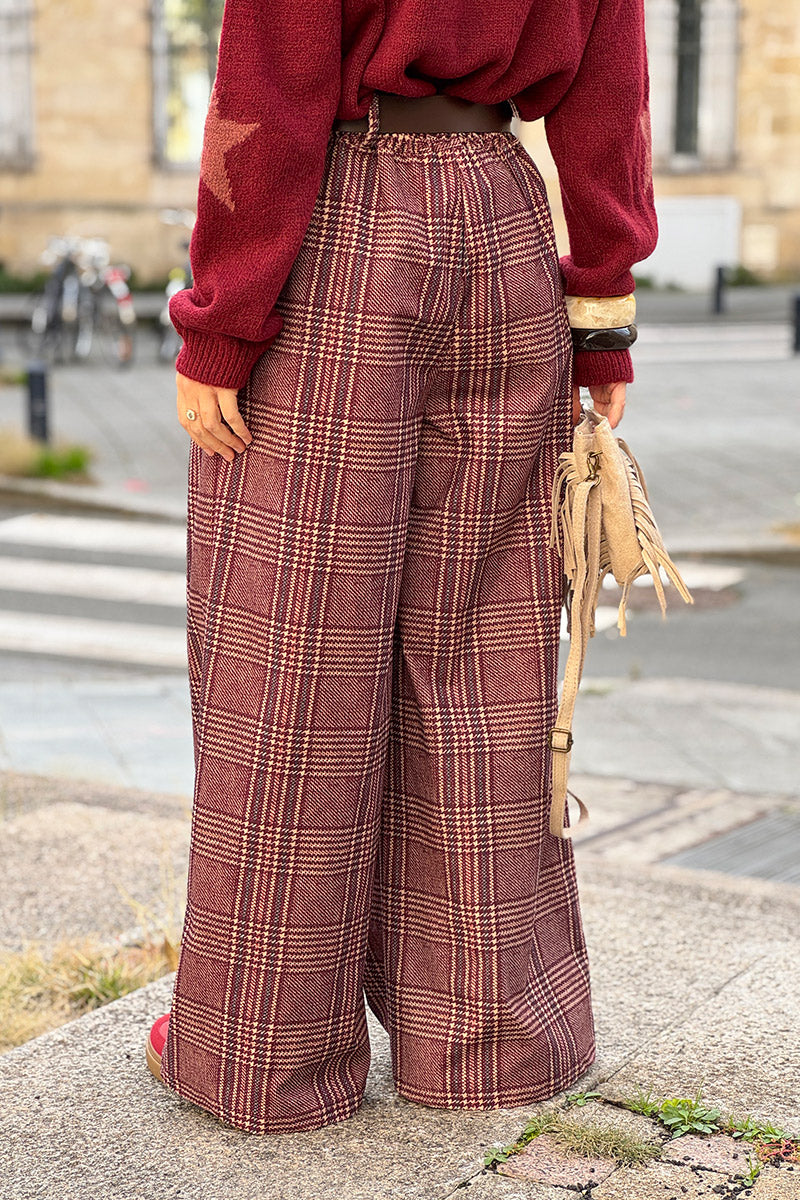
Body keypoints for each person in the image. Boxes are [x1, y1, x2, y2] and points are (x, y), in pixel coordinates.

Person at [144, 0, 658, 1135]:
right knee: (485, 647)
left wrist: (221, 321)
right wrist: (601, 308)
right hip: (501, 216)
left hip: (343, 226)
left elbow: (268, 87)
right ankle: (488, 1042)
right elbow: (609, 81)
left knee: (291, 649)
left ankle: (260, 1054)